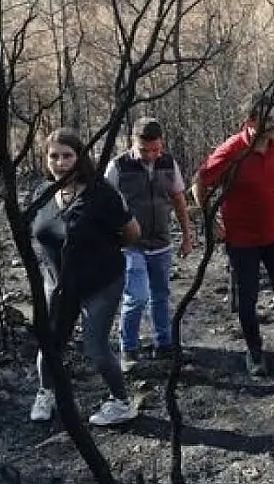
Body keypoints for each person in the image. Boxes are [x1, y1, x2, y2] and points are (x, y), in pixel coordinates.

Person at [29, 128, 141, 426]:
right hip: (58, 283)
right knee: (50, 343)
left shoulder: (100, 193)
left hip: (100, 282)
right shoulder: (42, 194)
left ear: (80, 158)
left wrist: (102, 253)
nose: (61, 163)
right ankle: (46, 392)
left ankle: (121, 402)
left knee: (95, 347)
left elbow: (132, 232)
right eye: (54, 156)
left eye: (67, 156)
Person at [191, 93, 274, 376]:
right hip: (242, 240)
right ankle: (255, 353)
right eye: (266, 119)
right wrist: (210, 221)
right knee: (247, 300)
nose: (273, 124)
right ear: (249, 121)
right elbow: (199, 182)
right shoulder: (232, 150)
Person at [104, 117, 193, 370]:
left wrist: (187, 235)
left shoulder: (168, 163)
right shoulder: (117, 167)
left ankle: (162, 343)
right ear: (132, 142)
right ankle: (128, 349)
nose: (151, 155)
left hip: (162, 241)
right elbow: (104, 203)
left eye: (156, 149)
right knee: (137, 296)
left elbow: (178, 199)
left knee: (161, 295)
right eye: (145, 150)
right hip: (130, 244)